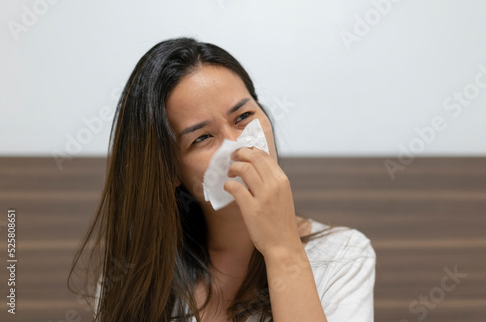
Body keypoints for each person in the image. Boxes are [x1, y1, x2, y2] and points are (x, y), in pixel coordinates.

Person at [67, 37, 376, 322]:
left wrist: (283, 250)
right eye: (202, 137)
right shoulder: (134, 278)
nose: (237, 144)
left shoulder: (344, 254)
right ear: (170, 171)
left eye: (243, 117)